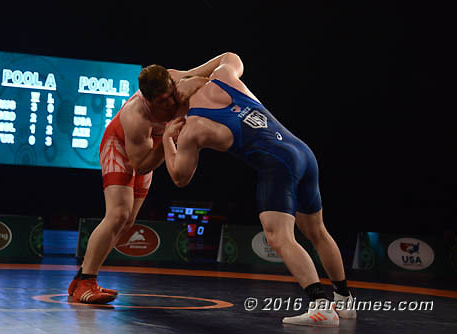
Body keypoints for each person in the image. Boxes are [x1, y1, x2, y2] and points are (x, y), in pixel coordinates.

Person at [162, 52, 356, 327]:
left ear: (172, 101)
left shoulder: (193, 127)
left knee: (279, 237)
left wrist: (168, 140)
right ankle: (345, 301)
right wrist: (192, 73)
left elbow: (180, 178)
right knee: (317, 232)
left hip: (278, 165)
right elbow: (230, 55)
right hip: (302, 152)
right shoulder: (223, 77)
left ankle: (320, 306)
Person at [68, 63, 209, 304]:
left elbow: (221, 64)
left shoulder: (177, 79)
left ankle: (81, 277)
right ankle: (86, 282)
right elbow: (142, 165)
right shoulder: (136, 115)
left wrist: (199, 80)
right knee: (118, 214)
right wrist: (167, 139)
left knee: (128, 221)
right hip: (120, 148)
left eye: (169, 97)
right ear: (147, 99)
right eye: (160, 102)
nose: (168, 105)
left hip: (147, 150)